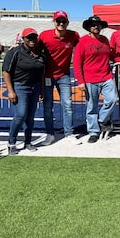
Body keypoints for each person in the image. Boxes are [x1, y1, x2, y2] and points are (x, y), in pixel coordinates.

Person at [38, 10, 81, 145]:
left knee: (67, 105)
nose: (61, 23)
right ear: (54, 22)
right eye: (58, 21)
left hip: (64, 75)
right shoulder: (45, 35)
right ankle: (50, 134)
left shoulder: (74, 35)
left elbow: (81, 49)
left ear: (68, 22)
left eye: (63, 21)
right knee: (47, 106)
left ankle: (68, 133)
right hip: (47, 75)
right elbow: (34, 50)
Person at [73, 16, 118, 143]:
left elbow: (111, 55)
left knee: (113, 99)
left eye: (98, 24)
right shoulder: (83, 42)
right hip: (90, 79)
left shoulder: (105, 40)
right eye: (93, 25)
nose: (96, 26)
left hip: (106, 76)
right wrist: (80, 81)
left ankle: (101, 120)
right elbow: (77, 63)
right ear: (89, 27)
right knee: (91, 107)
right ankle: (93, 131)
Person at [2, 28, 46, 155]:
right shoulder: (15, 52)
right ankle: (11, 142)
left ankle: (28, 142)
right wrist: (10, 91)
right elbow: (6, 71)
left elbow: (42, 74)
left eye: (34, 37)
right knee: (20, 115)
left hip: (35, 87)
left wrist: (42, 91)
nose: (32, 40)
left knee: (30, 117)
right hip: (20, 87)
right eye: (29, 37)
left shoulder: (41, 54)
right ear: (23, 39)